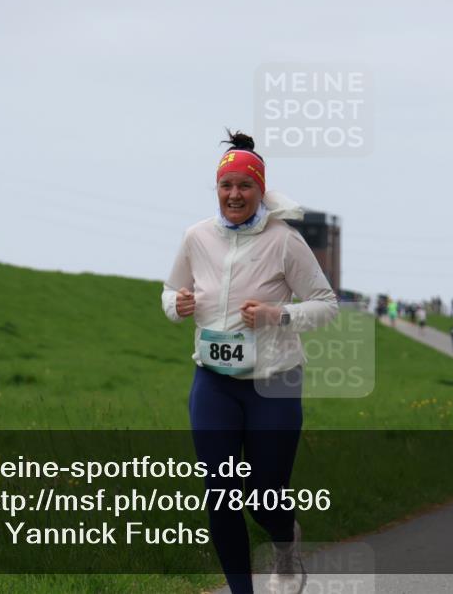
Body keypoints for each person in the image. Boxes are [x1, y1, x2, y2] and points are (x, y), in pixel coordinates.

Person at [162, 130, 338, 594]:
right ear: (216, 190)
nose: (234, 194)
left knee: (264, 495)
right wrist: (175, 305)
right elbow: (170, 290)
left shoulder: (284, 241)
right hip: (213, 382)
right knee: (220, 495)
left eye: (245, 186)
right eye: (226, 186)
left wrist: (276, 315)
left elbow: (326, 304)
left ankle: (284, 540)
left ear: (260, 191)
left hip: (273, 385)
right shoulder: (195, 236)